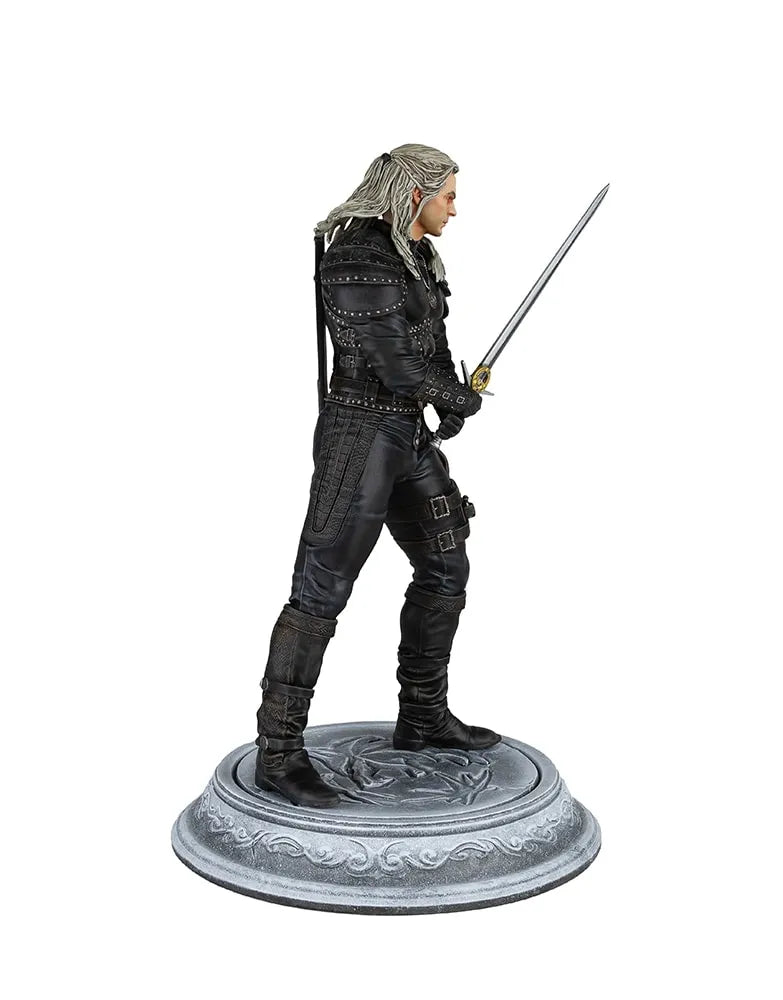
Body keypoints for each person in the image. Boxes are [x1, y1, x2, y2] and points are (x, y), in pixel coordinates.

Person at [254, 144, 501, 808]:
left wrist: (447, 399)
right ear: (414, 192)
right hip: (358, 436)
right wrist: (450, 396)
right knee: (320, 591)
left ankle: (422, 716)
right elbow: (392, 367)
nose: (454, 208)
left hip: (406, 437)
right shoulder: (359, 255)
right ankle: (277, 753)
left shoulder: (414, 254)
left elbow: (430, 350)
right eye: (447, 195)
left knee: (445, 566)